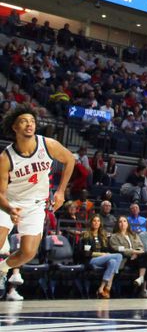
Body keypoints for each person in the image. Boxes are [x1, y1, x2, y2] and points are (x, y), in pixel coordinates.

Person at [0, 105, 76, 288]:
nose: (29, 124)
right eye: (24, 121)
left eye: (32, 121)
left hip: (35, 205)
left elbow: (70, 160)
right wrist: (9, 209)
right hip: (8, 203)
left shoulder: (47, 145)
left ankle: (2, 270)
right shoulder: (5, 158)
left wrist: (60, 192)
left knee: (28, 253)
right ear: (14, 127)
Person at [78, 214, 124, 298]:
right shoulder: (86, 235)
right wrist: (102, 254)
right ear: (91, 223)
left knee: (113, 262)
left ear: (100, 223)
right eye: (94, 221)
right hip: (91, 260)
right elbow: (86, 253)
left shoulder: (102, 236)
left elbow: (107, 249)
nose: (96, 223)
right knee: (118, 256)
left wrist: (106, 254)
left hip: (103, 259)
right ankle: (109, 286)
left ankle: (101, 288)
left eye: (98, 221)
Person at [110, 216, 147, 298]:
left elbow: (140, 246)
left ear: (127, 223)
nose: (122, 223)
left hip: (136, 258)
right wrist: (133, 252)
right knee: (145, 259)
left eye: (124, 221)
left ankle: (141, 279)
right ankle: (143, 288)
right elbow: (118, 248)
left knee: (145, 256)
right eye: (120, 222)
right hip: (124, 259)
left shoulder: (134, 235)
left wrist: (136, 253)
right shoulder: (114, 236)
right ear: (117, 224)